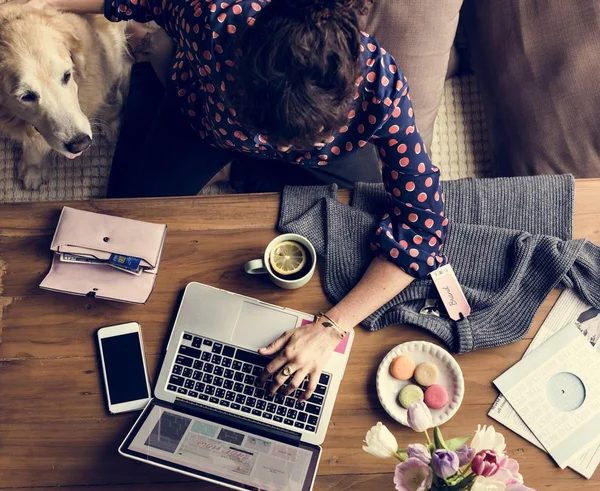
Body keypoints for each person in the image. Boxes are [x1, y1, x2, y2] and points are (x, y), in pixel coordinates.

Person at [32, 0, 448, 401]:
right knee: (120, 227)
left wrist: (331, 327)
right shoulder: (212, 16)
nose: (275, 145)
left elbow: (423, 225)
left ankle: (265, 168)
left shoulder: (380, 86)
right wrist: (36, 7)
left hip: (328, 158)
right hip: (203, 126)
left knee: (356, 223)